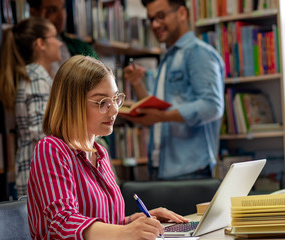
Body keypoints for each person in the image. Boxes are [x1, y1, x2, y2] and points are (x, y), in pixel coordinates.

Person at [27, 55, 188, 240]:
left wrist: (137, 222)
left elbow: (108, 224)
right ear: (73, 104)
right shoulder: (51, 149)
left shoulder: (100, 153)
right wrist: (126, 232)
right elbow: (63, 224)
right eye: (103, 103)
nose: (114, 111)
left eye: (115, 99)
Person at [123, 0, 225, 180]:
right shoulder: (167, 58)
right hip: (160, 168)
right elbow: (157, 111)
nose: (155, 24)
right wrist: (137, 84)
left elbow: (212, 106)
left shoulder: (198, 53)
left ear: (182, 13)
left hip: (190, 171)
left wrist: (162, 116)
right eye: (151, 19)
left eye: (161, 16)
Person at [0, 17, 63, 197]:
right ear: (40, 44)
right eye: (54, 37)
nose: (59, 43)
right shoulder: (36, 78)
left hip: (39, 171)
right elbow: (42, 132)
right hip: (43, 174)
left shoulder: (37, 76)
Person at [27, 0, 98, 75]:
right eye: (52, 10)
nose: (61, 16)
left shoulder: (82, 47)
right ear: (33, 13)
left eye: (63, 7)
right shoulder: (25, 51)